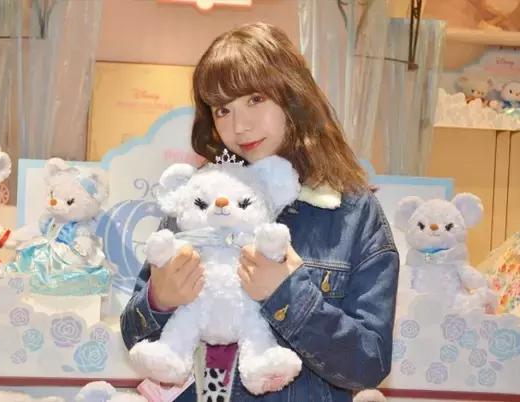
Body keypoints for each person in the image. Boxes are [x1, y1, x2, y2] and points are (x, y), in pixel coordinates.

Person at [120, 21, 399, 402]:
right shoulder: (201, 198)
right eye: (223, 110)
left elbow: (369, 363)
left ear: (293, 95)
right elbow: (134, 336)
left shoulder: (353, 212)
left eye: (255, 99)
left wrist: (287, 295)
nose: (240, 126)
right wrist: (159, 301)